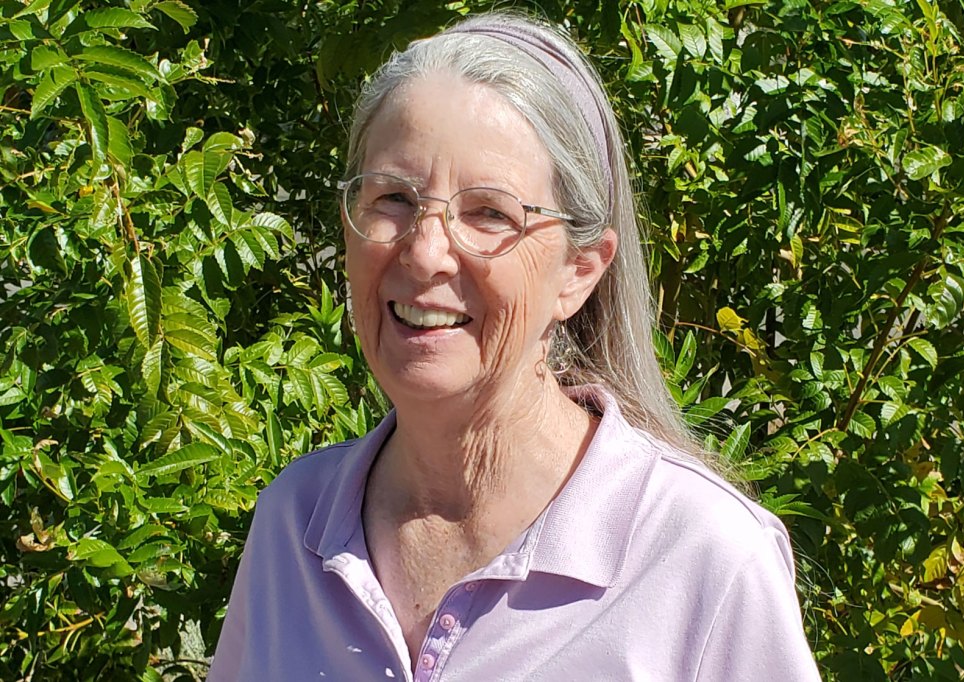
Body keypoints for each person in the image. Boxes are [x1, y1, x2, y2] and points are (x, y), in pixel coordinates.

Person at [209, 12, 820, 681]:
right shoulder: (294, 526)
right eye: (393, 198)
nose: (426, 250)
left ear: (579, 271)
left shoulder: (701, 558)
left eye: (489, 213)